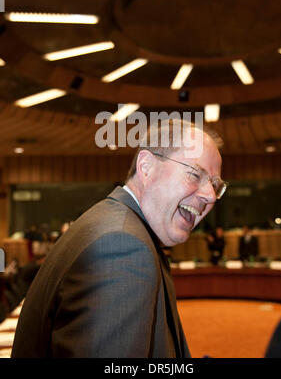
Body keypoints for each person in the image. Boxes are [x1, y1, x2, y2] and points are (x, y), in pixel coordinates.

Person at [11, 119, 226, 358]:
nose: (211, 196)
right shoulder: (122, 245)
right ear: (146, 167)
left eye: (216, 185)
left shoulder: (116, 226)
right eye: (195, 174)